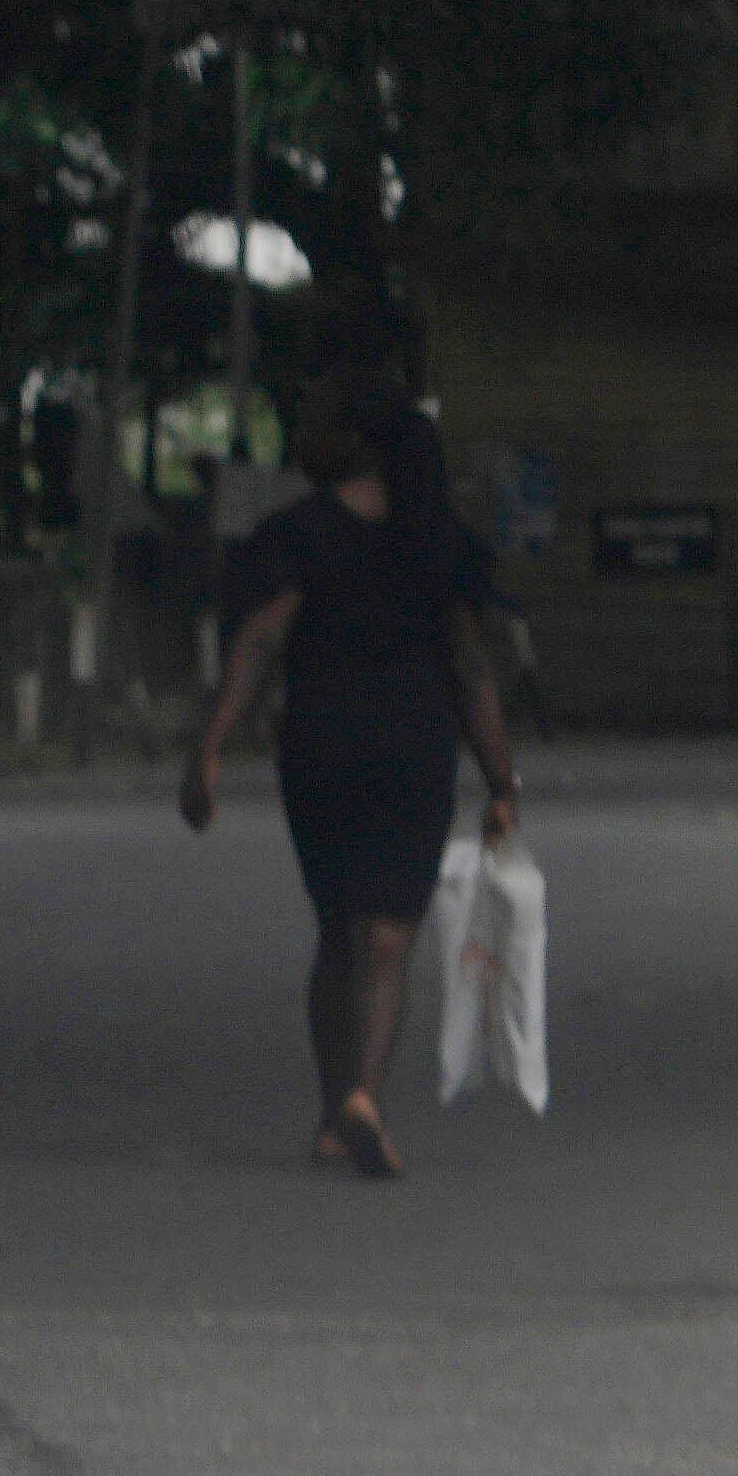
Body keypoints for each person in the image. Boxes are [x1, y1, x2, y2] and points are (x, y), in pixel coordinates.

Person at [175, 397, 517, 1176]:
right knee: (387, 937)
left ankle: (339, 1113)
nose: (304, 432)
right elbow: (470, 667)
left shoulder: (296, 534)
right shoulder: (438, 541)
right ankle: (360, 1098)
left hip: (322, 740)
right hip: (411, 741)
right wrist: (501, 777)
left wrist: (209, 748)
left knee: (338, 927)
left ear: (359, 444)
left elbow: (262, 640)